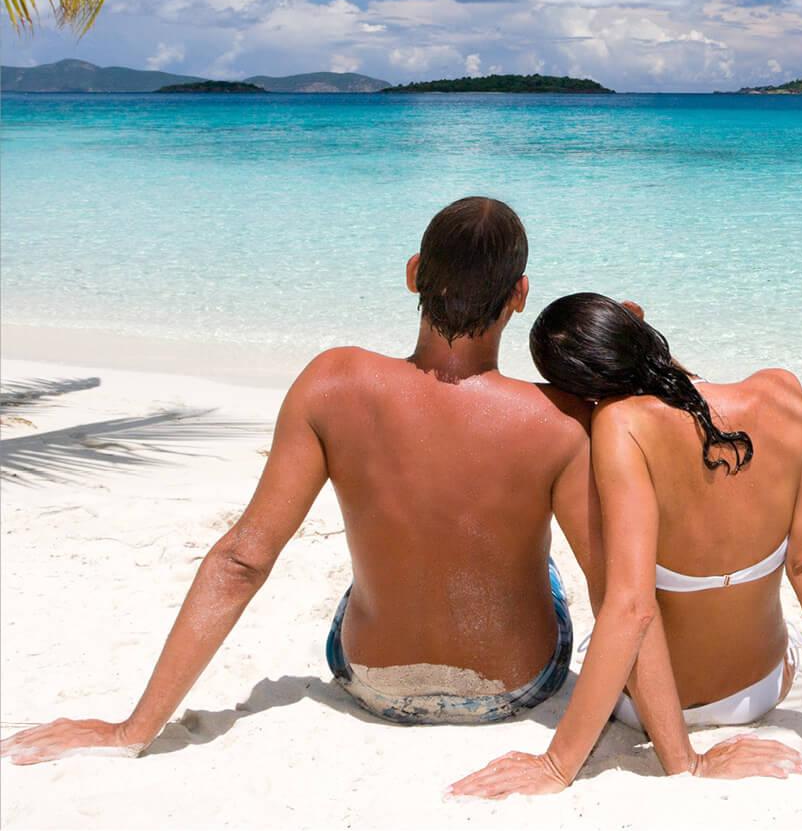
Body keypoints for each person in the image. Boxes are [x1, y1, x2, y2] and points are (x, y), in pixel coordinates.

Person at [3, 201, 603, 755]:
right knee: (537, 558)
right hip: (516, 688)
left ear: (414, 272)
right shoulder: (559, 418)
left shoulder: (332, 382)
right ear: (520, 295)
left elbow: (242, 560)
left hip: (373, 682)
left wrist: (132, 729)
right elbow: (616, 590)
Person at [448, 293, 802, 799]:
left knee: (607, 582)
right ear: (639, 329)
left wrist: (558, 764)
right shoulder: (783, 393)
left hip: (647, 711)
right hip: (761, 691)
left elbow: (633, 608)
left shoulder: (621, 426)